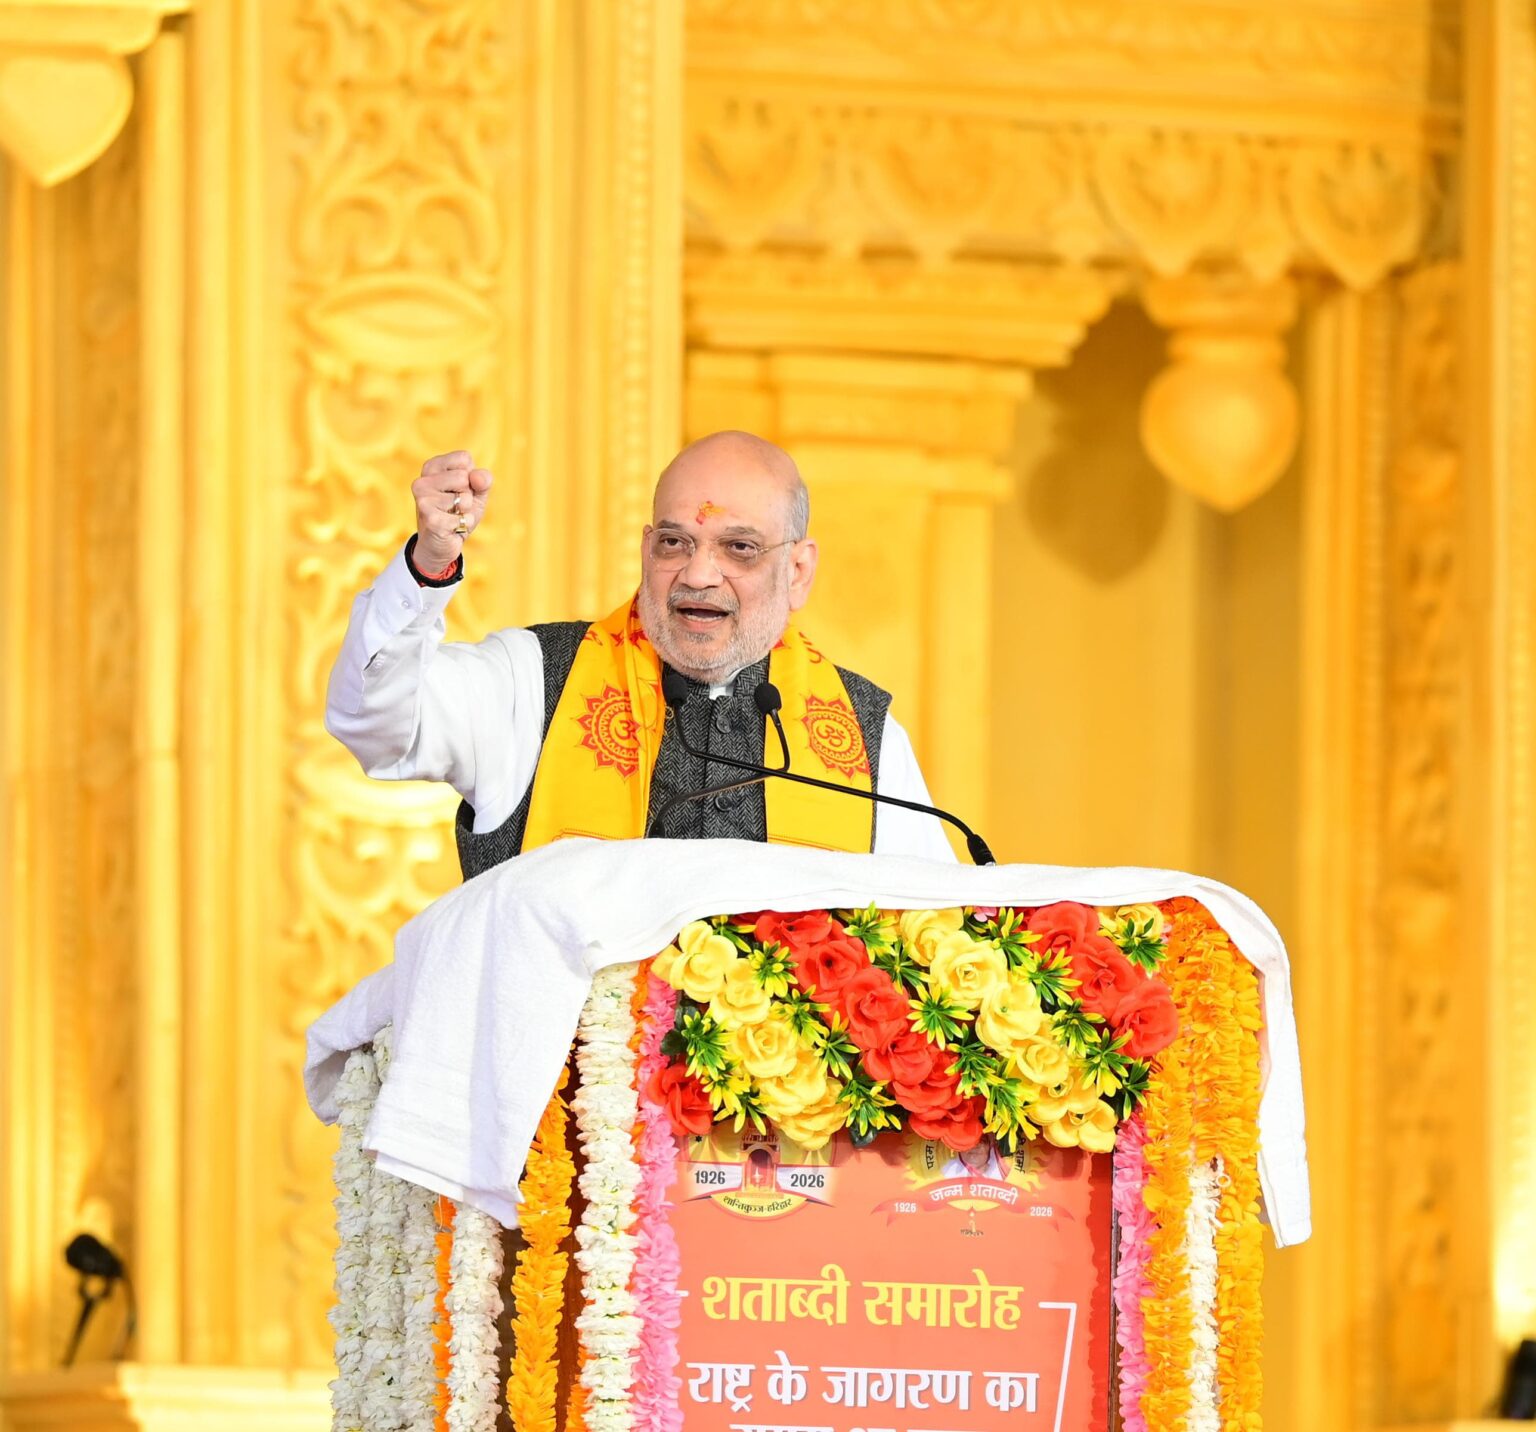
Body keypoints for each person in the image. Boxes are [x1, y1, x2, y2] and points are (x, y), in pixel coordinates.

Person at [325, 431, 955, 876]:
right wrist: (429, 565)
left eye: (738, 548)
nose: (698, 575)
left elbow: (933, 945)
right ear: (647, 548)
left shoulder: (865, 738)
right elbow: (375, 724)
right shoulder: (534, 680)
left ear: (797, 570)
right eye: (675, 543)